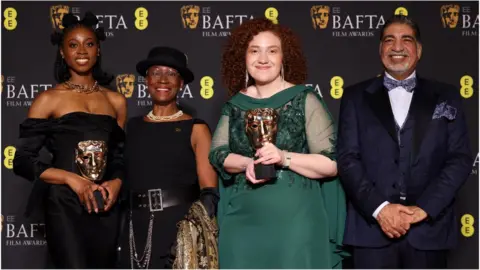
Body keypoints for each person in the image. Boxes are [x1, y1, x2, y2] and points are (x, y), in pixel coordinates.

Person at [209, 18, 347, 269]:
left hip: (296, 225)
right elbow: (218, 154)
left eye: (272, 51)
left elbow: (331, 163)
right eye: (254, 50)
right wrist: (247, 163)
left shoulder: (304, 99)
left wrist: (284, 157)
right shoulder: (234, 105)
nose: (263, 59)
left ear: (284, 58)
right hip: (242, 223)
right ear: (243, 57)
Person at [337, 15, 473, 268]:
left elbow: (460, 158)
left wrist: (424, 209)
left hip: (429, 232)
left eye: (406, 40)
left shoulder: (447, 95)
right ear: (380, 50)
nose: (397, 47)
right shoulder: (354, 97)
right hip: (371, 231)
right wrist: (380, 209)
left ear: (418, 50)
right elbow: (347, 158)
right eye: (389, 40)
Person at [12, 12, 127, 268]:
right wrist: (71, 179)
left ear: (98, 50)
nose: (82, 51)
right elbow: (22, 161)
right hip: (64, 203)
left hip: (104, 204)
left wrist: (117, 183)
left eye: (89, 43)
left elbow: (119, 157)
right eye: (73, 45)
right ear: (63, 53)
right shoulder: (48, 99)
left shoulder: (115, 101)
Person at [116, 46, 219, 269]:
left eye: (171, 74)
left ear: (181, 84)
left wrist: (192, 235)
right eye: (156, 72)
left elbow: (209, 192)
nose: (163, 79)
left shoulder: (196, 128)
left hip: (178, 225)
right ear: (146, 81)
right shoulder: (131, 127)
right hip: (135, 225)